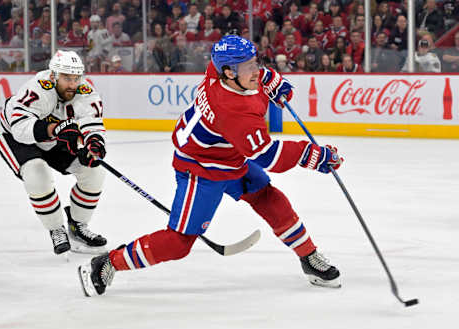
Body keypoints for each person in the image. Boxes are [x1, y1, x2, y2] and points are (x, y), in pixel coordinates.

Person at [78, 35, 343, 297]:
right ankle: (107, 263)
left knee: (269, 197)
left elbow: (255, 79)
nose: (256, 70)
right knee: (178, 243)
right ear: (228, 72)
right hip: (201, 170)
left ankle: (308, 256)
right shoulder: (232, 109)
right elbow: (266, 156)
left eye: (255, 62)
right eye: (249, 66)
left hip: (229, 159)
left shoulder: (220, 72)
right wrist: (314, 155)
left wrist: (270, 80)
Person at [0, 50, 108, 255]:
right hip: (13, 136)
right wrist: (55, 130)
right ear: (53, 75)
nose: (72, 84)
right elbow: (20, 129)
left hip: (52, 138)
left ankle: (78, 225)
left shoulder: (86, 92)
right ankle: (56, 228)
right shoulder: (38, 89)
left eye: (76, 78)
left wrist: (94, 143)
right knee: (37, 174)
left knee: (94, 172)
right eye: (66, 78)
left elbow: (93, 124)